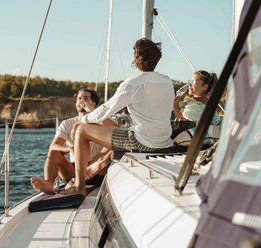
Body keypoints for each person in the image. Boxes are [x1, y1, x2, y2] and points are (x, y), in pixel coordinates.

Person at [62, 38, 175, 196]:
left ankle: (80, 186)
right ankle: (91, 171)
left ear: (136, 60)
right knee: (113, 131)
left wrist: (82, 119)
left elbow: (106, 109)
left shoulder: (132, 84)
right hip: (164, 141)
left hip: (142, 141)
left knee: (81, 131)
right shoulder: (167, 81)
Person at [30, 89, 114, 195]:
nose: (82, 100)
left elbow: (117, 133)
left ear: (94, 103)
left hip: (98, 169)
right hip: (75, 170)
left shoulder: (103, 120)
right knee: (54, 151)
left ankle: (83, 179)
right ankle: (48, 184)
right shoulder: (67, 123)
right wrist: (69, 148)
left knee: (112, 149)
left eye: (86, 98)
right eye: (79, 98)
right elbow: (54, 146)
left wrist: (93, 112)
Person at [172, 70, 222, 146]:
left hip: (193, 139)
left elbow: (184, 121)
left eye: (194, 82)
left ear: (204, 87)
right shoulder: (209, 103)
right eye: (190, 81)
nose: (190, 84)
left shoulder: (194, 105)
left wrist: (175, 107)